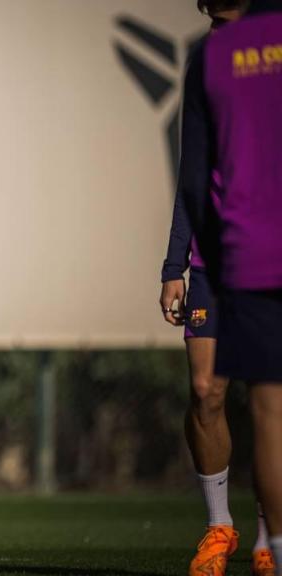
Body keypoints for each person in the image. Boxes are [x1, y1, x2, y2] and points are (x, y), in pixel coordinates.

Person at [159, 3, 275, 575]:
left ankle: (266, 534)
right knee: (206, 389)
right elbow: (193, 170)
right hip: (212, 258)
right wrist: (172, 263)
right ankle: (218, 526)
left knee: (269, 401)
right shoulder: (207, 60)